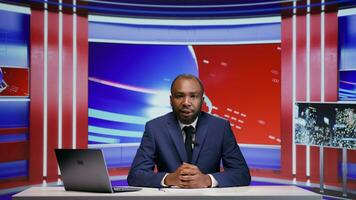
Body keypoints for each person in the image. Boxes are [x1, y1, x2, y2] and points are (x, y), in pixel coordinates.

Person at [127, 74, 250, 188]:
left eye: (193, 96)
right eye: (179, 96)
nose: (186, 102)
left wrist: (207, 180)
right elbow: (135, 175)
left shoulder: (220, 127)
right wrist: (169, 179)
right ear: (171, 100)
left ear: (202, 100)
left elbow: (242, 174)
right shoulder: (154, 128)